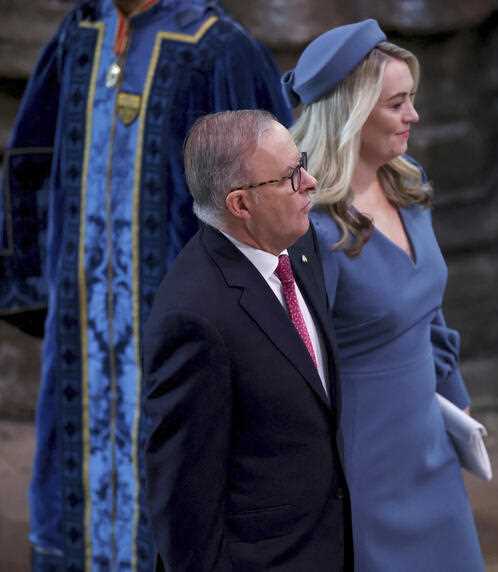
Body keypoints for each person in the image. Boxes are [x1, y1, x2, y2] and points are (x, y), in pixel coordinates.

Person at [0, 0, 292, 568]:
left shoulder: (217, 48)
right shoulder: (82, 32)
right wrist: (38, 283)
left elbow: (273, 197)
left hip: (183, 335)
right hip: (82, 331)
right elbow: (31, 160)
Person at [283, 19, 485, 571]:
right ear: (350, 112)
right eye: (397, 104)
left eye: (411, 100)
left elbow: (429, 313)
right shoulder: (309, 228)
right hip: (357, 461)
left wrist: (453, 391)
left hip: (427, 439)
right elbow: (286, 367)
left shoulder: (406, 181)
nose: (413, 117)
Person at [143, 109, 351, 570]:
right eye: (291, 176)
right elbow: (183, 500)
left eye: (304, 163)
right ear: (240, 205)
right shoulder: (195, 318)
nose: (311, 182)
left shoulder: (297, 244)